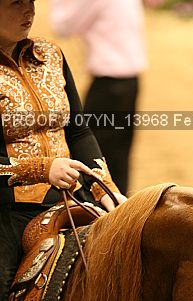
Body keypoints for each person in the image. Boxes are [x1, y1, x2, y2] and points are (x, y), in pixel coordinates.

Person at [0, 0, 126, 301]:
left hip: (71, 198)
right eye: (15, 3)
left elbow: (79, 131)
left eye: (31, 2)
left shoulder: (50, 54)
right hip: (8, 209)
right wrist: (42, 168)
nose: (29, 11)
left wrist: (106, 189)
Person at [51, 0, 148, 195]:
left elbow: (63, 26)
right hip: (131, 79)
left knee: (94, 155)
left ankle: (108, 208)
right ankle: (121, 205)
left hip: (109, 81)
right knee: (119, 154)